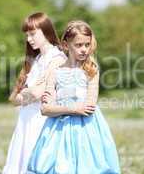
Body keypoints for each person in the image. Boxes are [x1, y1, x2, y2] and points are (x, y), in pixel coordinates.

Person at [27, 20, 120, 174]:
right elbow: (45, 109)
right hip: (58, 130)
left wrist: (58, 108)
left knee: (87, 166)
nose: (84, 49)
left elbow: (89, 106)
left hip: (86, 129)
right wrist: (73, 108)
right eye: (78, 45)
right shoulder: (55, 71)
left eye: (87, 44)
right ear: (65, 45)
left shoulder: (91, 70)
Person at [3, 12, 66, 174]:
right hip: (26, 120)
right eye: (26, 35)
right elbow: (13, 98)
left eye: (32, 34)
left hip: (42, 121)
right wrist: (29, 92)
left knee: (38, 163)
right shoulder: (35, 60)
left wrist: (29, 92)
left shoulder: (57, 58)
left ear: (46, 31)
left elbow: (36, 93)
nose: (28, 39)